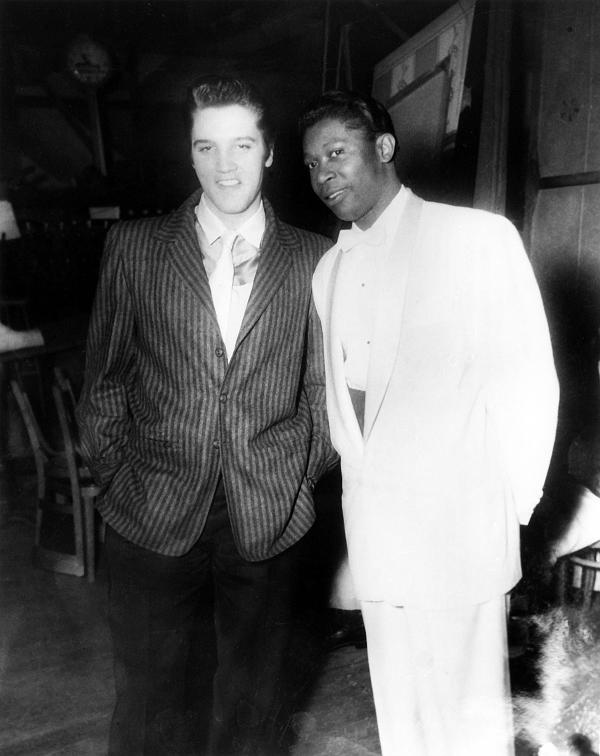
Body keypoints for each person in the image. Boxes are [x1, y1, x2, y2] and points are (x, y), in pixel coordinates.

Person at [76, 76, 334, 756]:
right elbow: (102, 380)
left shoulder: (317, 259)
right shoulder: (133, 249)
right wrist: (119, 474)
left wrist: (296, 481)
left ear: (270, 152)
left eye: (242, 145)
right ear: (189, 156)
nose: (226, 166)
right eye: (207, 147)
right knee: (150, 703)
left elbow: (324, 394)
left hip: (268, 514)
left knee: (254, 706)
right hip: (152, 510)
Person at [299, 90, 559, 756]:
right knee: (402, 720)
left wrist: (512, 508)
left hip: (458, 534)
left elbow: (528, 377)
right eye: (311, 164)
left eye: (337, 152)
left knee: (469, 726)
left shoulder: (475, 238)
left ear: (384, 148)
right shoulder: (328, 270)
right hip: (380, 540)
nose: (324, 174)